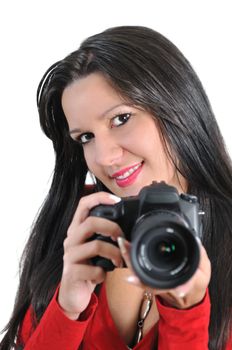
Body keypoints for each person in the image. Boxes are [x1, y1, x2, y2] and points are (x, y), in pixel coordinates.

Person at [1, 26, 232, 350]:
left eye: (121, 118)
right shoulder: (79, 235)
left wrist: (187, 315)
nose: (104, 158)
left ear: (177, 107)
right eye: (86, 137)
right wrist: (66, 310)